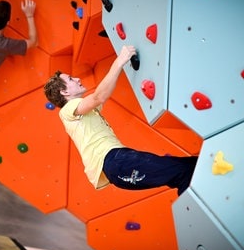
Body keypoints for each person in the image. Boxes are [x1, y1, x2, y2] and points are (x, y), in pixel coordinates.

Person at [44, 45, 197, 195]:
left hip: (119, 162)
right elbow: (99, 96)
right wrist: (120, 60)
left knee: (190, 167)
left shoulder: (86, 111)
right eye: (70, 79)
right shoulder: (67, 110)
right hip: (116, 162)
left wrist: (125, 65)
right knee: (182, 172)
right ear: (64, 91)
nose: (77, 78)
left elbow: (105, 91)